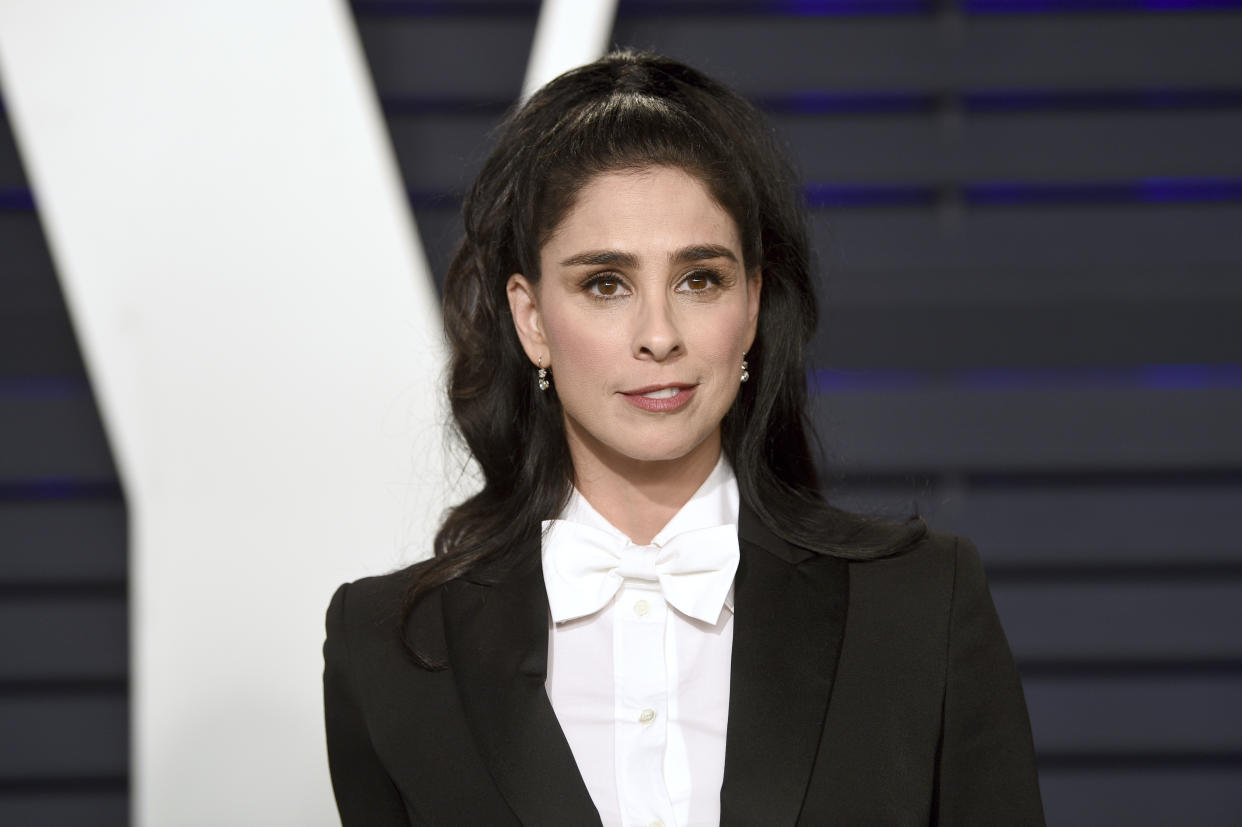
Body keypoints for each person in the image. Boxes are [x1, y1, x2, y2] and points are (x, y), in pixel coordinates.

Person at [323, 50, 1045, 826]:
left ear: (753, 303)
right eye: (606, 283)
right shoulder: (390, 650)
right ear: (532, 319)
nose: (659, 335)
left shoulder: (918, 604)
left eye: (700, 278)